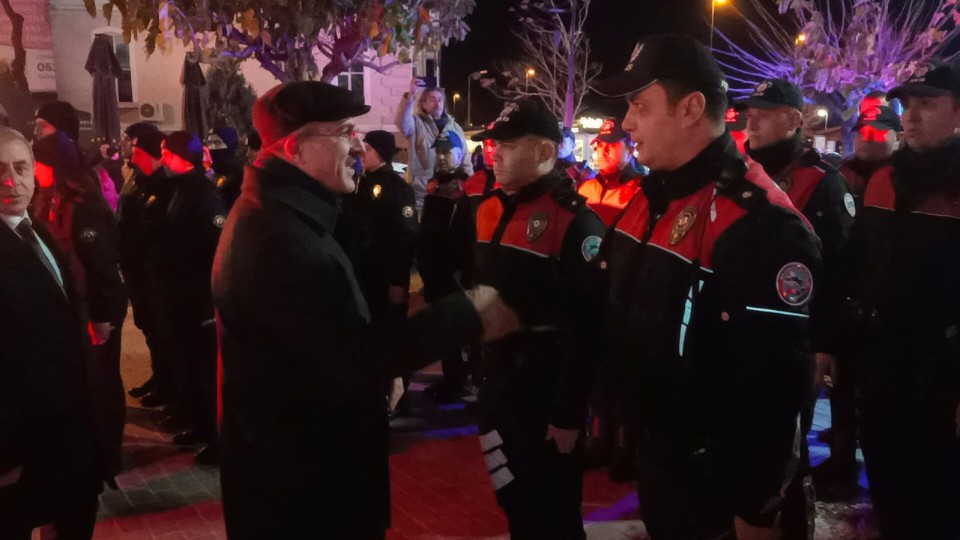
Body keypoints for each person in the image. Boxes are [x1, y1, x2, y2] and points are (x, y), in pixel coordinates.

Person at [212, 81, 512, 539]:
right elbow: (352, 359)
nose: (356, 145)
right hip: (306, 493)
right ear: (295, 148)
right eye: (343, 132)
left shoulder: (282, 213)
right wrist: (467, 311)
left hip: (297, 477)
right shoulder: (280, 237)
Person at [592, 34, 822, 540]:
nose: (627, 123)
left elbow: (777, 388)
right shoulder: (651, 197)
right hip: (663, 461)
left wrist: (758, 509)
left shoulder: (758, 223)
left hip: (721, 490)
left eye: (639, 106)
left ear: (691, 108)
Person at [469, 98, 606, 539]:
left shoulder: (575, 222)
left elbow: (588, 327)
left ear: (546, 151)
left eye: (509, 145)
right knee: (512, 498)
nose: (495, 154)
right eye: (495, 144)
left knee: (554, 513)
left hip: (544, 398)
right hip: (497, 389)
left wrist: (568, 413)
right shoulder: (489, 208)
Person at [850, 60, 960, 540]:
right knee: (888, 489)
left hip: (943, 374)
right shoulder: (883, 179)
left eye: (927, 104)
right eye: (908, 104)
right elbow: (856, 264)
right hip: (882, 364)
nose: (911, 115)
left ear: (957, 112)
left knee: (939, 500)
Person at [737, 78, 855, 527]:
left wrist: (826, 344)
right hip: (741, 330)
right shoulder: (738, 171)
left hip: (795, 339)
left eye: (764, 114)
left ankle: (790, 524)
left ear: (793, 119)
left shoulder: (822, 182)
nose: (752, 122)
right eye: (750, 113)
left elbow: (837, 270)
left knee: (786, 446)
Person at [0, 126, 103, 539]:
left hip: (67, 433)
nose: (12, 181)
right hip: (18, 448)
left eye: (20, 167)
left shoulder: (35, 228)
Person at [30, 129, 128, 481]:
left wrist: (100, 317)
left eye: (37, 164)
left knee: (102, 382)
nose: (34, 171)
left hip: (96, 307)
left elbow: (101, 267)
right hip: (76, 305)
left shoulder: (85, 206)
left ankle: (109, 456)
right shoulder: (50, 197)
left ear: (54, 166)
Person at [156, 131, 226, 464]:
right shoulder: (182, 188)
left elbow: (215, 248)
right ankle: (200, 425)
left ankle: (217, 436)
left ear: (181, 157)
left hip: (200, 298)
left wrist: (206, 298)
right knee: (192, 366)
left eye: (166, 153)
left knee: (206, 371)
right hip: (183, 295)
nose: (162, 160)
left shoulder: (203, 193)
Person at [350, 130, 419, 414]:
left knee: (392, 338)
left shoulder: (396, 188)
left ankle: (397, 398)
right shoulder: (361, 183)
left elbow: (405, 237)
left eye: (367, 147)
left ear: (381, 152)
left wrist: (399, 282)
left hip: (386, 278)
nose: (361, 152)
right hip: (367, 276)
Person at [117, 125, 178, 409]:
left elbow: (162, 229)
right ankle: (160, 377)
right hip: (135, 268)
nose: (126, 145)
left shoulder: (163, 182)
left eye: (131, 141)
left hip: (152, 271)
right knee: (149, 329)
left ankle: (170, 385)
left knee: (163, 332)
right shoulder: (136, 176)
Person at [418, 131, 475, 402]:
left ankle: (461, 381)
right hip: (435, 271)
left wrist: (460, 271)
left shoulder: (465, 188)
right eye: (438, 151)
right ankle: (451, 377)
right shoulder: (434, 185)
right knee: (443, 331)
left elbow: (464, 236)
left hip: (452, 274)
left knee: (457, 331)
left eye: (447, 151)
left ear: (460, 154)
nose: (441, 157)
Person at [396, 80, 473, 212]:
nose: (437, 103)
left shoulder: (455, 128)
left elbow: (465, 160)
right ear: (423, 104)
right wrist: (410, 96)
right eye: (432, 99)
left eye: (440, 99)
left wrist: (470, 187)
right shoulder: (416, 124)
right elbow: (401, 122)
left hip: (451, 193)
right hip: (422, 194)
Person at [577, 118, 645, 226]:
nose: (603, 152)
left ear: (629, 151)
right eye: (600, 145)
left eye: (612, 145)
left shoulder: (640, 192)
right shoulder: (586, 188)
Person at [839, 104, 902, 208]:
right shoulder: (842, 173)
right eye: (861, 132)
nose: (866, 139)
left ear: (898, 138)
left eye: (876, 132)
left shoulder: (908, 179)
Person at [208, 126, 245, 210]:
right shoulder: (210, 171)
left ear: (230, 145)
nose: (212, 147)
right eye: (210, 143)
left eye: (217, 143)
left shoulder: (239, 173)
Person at [464, 135, 499, 213]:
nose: (488, 150)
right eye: (485, 144)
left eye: (493, 144)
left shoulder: (516, 183)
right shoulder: (472, 182)